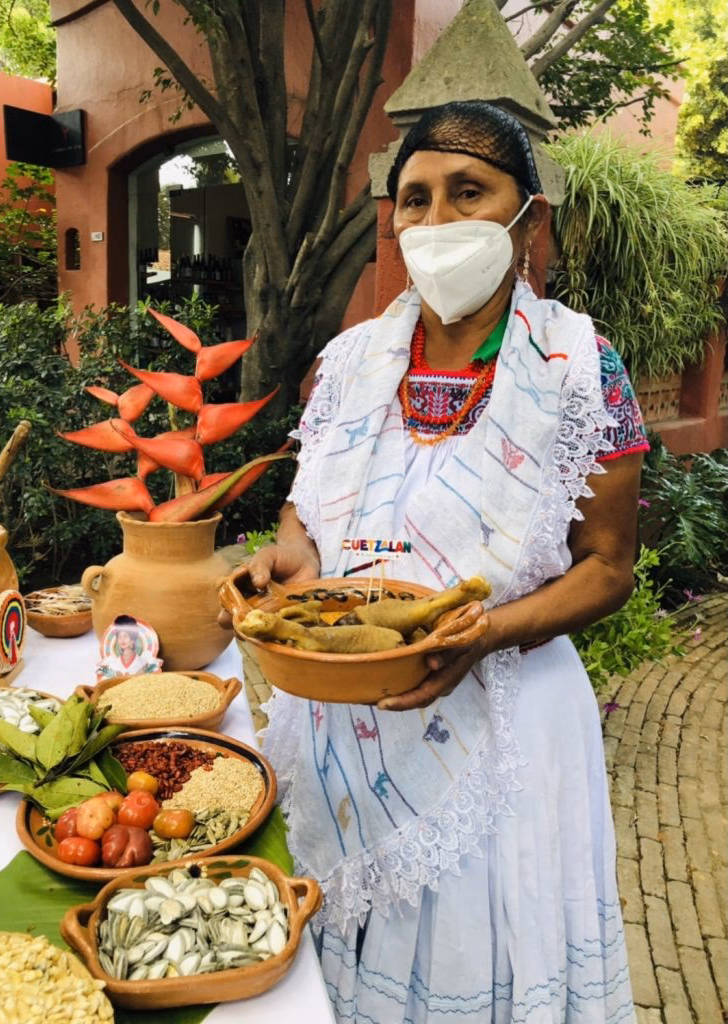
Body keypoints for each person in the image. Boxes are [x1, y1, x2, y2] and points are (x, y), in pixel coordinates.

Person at [241, 102, 647, 1022]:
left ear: (528, 218)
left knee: (483, 947)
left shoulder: (580, 370)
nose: (436, 220)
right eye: (416, 199)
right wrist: (289, 558)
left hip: (504, 726)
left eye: (469, 192)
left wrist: (487, 631)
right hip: (343, 709)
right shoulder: (349, 363)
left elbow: (607, 565)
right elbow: (309, 511)